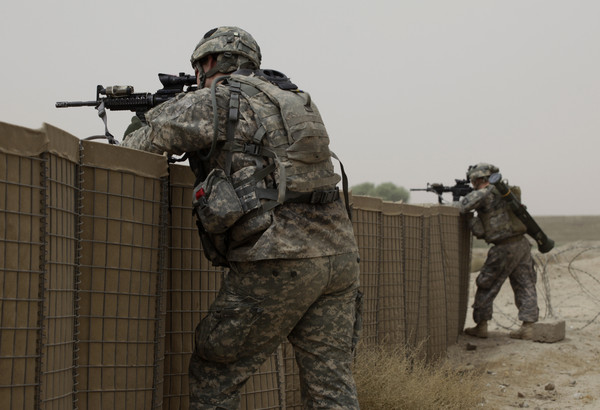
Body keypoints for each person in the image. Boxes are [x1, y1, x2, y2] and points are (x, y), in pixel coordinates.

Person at [121, 26, 362, 409]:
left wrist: (142, 115)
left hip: (278, 257)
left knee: (215, 373)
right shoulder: (293, 98)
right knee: (330, 385)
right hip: (340, 256)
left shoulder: (216, 99)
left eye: (200, 66)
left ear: (211, 61)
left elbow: (136, 146)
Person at [454, 163, 538, 340]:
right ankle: (528, 327)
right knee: (525, 284)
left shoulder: (485, 192)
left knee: (487, 284)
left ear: (479, 179)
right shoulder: (506, 191)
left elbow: (462, 206)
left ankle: (481, 325)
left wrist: (456, 199)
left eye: (474, 181)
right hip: (521, 244)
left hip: (503, 248)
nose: (473, 184)